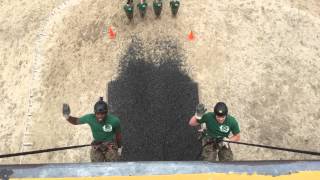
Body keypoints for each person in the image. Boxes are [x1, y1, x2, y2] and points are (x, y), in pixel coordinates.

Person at [62, 97, 122, 162]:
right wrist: (67, 116)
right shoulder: (90, 118)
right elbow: (76, 121)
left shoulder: (115, 121)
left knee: (112, 164)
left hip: (110, 143)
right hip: (97, 143)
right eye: (97, 114)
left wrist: (119, 147)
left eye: (103, 113)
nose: (100, 116)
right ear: (94, 113)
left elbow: (118, 135)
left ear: (107, 112)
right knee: (96, 165)